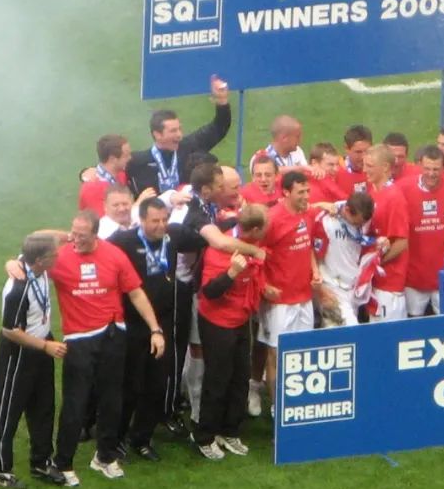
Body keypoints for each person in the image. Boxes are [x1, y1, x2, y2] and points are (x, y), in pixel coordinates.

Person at [45, 211, 166, 486]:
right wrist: (65, 236)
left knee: (112, 400)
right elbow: (32, 242)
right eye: (74, 233)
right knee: (75, 402)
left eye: (82, 235)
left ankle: (105, 456)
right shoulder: (60, 256)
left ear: (95, 234)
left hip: (113, 335)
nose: (76, 240)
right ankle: (63, 462)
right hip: (78, 338)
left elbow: (135, 292)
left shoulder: (113, 255)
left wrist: (155, 329)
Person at [107, 199, 206, 462]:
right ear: (141, 220)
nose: (161, 225)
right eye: (155, 221)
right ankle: (116, 438)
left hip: (163, 323)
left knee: (158, 383)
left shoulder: (173, 236)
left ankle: (142, 438)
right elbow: (93, 250)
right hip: (132, 323)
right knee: (130, 385)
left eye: (164, 219)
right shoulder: (124, 240)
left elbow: (208, 239)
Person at [0, 234, 67, 489]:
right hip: (18, 353)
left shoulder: (31, 263)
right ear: (41, 260)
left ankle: (41, 462)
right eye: (54, 255)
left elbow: (46, 237)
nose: (58, 257)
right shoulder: (17, 290)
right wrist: (45, 346)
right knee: (7, 411)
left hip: (42, 346)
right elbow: (10, 331)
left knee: (43, 407)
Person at [193, 205, 270, 459]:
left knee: (240, 378)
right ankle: (205, 436)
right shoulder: (219, 251)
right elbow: (209, 292)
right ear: (255, 230)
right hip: (217, 323)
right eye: (264, 229)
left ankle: (230, 431)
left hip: (240, 319)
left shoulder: (249, 245)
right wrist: (231, 273)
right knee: (217, 380)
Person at [257, 171, 321, 413]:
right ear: (285, 192)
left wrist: (315, 271)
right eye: (300, 192)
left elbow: (309, 246)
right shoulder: (272, 220)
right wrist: (263, 286)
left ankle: (298, 403)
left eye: (307, 191)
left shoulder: (308, 214)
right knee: (276, 353)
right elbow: (256, 256)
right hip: (280, 301)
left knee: (302, 353)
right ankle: (278, 406)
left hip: (304, 297)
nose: (306, 196)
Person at [126, 75, 231, 195]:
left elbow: (219, 127)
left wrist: (222, 101)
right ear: (157, 134)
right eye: (173, 131)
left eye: (179, 129)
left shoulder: (189, 147)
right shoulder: (138, 162)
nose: (179, 135)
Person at [399, 145, 444, 316]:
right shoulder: (402, 188)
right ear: (419, 166)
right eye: (427, 168)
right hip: (414, 278)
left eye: (436, 169)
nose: (431, 173)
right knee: (414, 323)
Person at [313, 192, 377, 326]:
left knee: (341, 334)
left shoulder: (363, 217)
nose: (359, 226)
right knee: (350, 331)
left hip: (353, 289)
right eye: (356, 223)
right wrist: (320, 289)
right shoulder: (327, 221)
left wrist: (380, 243)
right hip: (332, 288)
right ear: (347, 210)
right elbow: (312, 255)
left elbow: (367, 242)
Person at [363, 145, 410, 321]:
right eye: (365, 165)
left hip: (389, 286)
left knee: (387, 335)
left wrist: (375, 265)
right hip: (375, 284)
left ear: (385, 167)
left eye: (370, 166)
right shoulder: (373, 192)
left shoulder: (394, 197)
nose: (365, 170)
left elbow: (401, 243)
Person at [79, 134, 131, 216]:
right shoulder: (92, 189)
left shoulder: (121, 175)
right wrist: (138, 204)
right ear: (113, 159)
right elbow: (107, 220)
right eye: (126, 156)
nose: (130, 158)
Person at [335, 125, 372, 195]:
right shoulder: (334, 170)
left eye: (367, 151)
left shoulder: (378, 168)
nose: (363, 157)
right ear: (346, 149)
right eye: (358, 152)